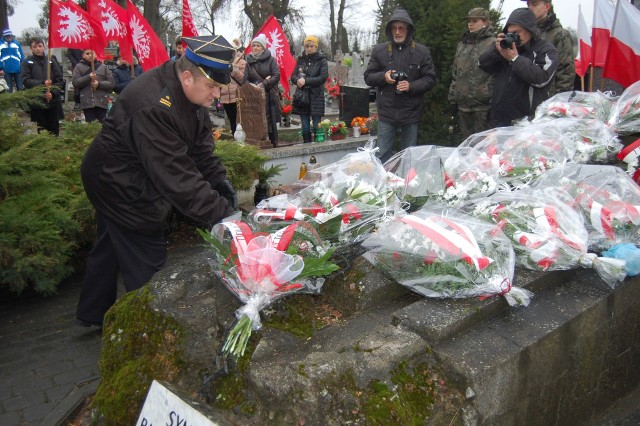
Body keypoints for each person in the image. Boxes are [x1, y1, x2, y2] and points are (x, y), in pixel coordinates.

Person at [76, 35, 238, 328]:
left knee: (111, 244)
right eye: (213, 86)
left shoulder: (188, 92)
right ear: (187, 76)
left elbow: (200, 142)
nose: (217, 93)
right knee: (146, 249)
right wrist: (226, 218)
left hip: (123, 173)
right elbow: (178, 178)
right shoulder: (154, 105)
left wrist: (218, 178)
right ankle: (149, 326)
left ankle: (93, 313)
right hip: (118, 183)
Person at [364, 9, 436, 163]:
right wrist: (383, 76)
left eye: (401, 28)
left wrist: (411, 86)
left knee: (409, 156)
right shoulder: (380, 50)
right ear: (390, 30)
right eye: (394, 28)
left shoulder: (422, 52)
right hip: (387, 113)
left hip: (411, 112)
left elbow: (430, 79)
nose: (397, 32)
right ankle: (383, 185)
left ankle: (406, 185)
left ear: (408, 29)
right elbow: (368, 77)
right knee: (382, 154)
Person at [478, 8, 558, 128]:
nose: (513, 36)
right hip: (499, 121)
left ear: (530, 30)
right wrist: (496, 49)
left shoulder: (546, 50)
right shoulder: (505, 50)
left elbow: (542, 79)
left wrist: (515, 59)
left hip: (527, 123)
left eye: (517, 32)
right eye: (510, 32)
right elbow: (482, 64)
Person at [448, 8, 496, 140]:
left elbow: (498, 74)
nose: (471, 24)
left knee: (484, 147)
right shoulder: (462, 44)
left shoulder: (493, 43)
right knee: (466, 146)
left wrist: (494, 102)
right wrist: (453, 99)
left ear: (485, 22)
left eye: (475, 21)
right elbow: (456, 73)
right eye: (469, 21)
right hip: (463, 106)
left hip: (483, 107)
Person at [522, 0, 575, 96]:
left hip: (548, 100)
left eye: (534, 4)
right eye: (528, 4)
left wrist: (558, 103)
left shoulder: (560, 35)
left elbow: (565, 74)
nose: (530, 8)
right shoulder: (526, 33)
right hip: (525, 99)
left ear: (547, 7)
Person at [21, 37, 65, 136]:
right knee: (42, 128)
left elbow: (59, 80)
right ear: (31, 48)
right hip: (38, 101)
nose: (38, 49)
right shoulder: (27, 62)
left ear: (44, 47)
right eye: (35, 46)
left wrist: (53, 93)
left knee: (54, 127)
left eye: (40, 46)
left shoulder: (51, 60)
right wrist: (42, 83)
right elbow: (26, 80)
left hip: (53, 101)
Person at [290, 35, 328, 144]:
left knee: (316, 126)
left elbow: (322, 77)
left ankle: (318, 149)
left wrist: (306, 81)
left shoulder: (321, 60)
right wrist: (297, 80)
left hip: (316, 96)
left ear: (315, 47)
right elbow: (293, 76)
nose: (309, 48)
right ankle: (306, 148)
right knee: (305, 127)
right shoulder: (301, 60)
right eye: (307, 46)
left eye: (311, 46)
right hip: (302, 96)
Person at [246, 33, 281, 148]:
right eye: (254, 45)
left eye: (258, 45)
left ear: (263, 47)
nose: (255, 48)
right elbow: (245, 79)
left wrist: (263, 84)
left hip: (269, 95)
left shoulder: (270, 60)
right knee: (257, 121)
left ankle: (273, 144)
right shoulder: (249, 62)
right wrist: (252, 87)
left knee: (269, 122)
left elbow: (276, 75)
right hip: (255, 97)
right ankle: (259, 143)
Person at [72, 49, 115, 123]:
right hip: (87, 102)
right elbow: (75, 82)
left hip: (101, 101)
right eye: (87, 53)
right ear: (83, 55)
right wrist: (88, 77)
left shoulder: (103, 67)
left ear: (95, 55)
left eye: (92, 53)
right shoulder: (78, 67)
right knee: (90, 125)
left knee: (102, 124)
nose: (90, 55)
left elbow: (111, 83)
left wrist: (99, 84)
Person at [219, 38, 247, 135]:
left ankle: (242, 138)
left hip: (237, 95)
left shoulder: (242, 62)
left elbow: (244, 79)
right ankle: (234, 138)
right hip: (225, 94)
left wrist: (235, 71)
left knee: (239, 119)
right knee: (231, 119)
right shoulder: (222, 62)